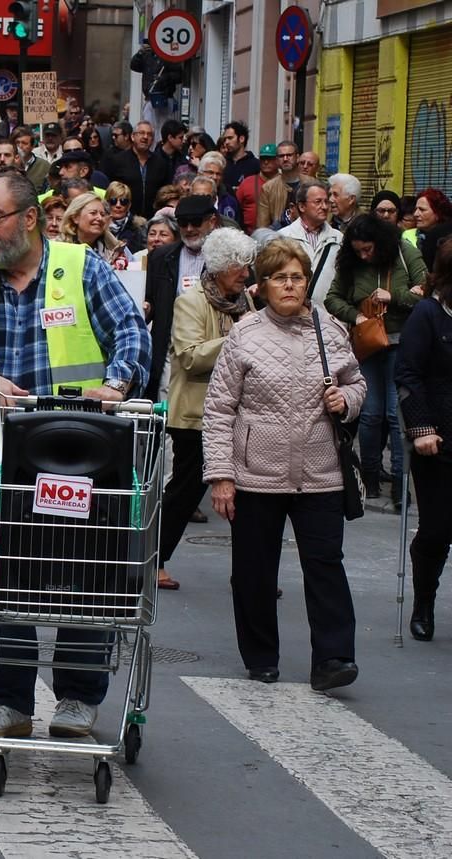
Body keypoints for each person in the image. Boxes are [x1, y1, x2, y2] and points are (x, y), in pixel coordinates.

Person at [0, 171, 151, 740]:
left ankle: (78, 695)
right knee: (9, 573)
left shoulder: (83, 267)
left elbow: (130, 331)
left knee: (88, 571)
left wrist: (117, 383)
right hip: (9, 454)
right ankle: (9, 701)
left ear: (29, 218)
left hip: (88, 449)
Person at [203, 237, 364, 689]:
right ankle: (260, 656)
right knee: (254, 571)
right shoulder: (245, 335)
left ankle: (334, 658)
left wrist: (346, 399)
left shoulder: (331, 330)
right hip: (257, 473)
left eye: (297, 277)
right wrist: (221, 476)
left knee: (325, 564)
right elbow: (219, 409)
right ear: (263, 285)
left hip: (321, 473)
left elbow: (357, 383)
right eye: (280, 278)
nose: (290, 285)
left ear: (307, 282)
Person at [158, 229, 256, 591]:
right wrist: (237, 338)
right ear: (218, 267)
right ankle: (153, 561)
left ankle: (252, 572)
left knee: (248, 495)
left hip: (239, 412)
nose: (245, 273)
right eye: (238, 266)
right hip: (195, 416)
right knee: (185, 493)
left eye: (247, 265)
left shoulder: (245, 300)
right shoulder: (191, 302)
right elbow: (189, 357)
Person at [324, 213, 427, 506]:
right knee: (369, 414)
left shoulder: (405, 253)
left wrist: (394, 296)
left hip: (402, 344)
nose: (364, 256)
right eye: (358, 250)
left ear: (380, 243)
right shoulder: (351, 262)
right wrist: (356, 316)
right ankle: (370, 476)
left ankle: (400, 483)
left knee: (395, 414)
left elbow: (427, 292)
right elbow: (333, 298)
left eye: (368, 249)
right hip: (367, 345)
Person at [395, 239, 452, 640]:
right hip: (440, 439)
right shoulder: (428, 315)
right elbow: (408, 374)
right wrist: (421, 429)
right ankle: (424, 601)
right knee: (436, 531)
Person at [145, 195, 222, 400]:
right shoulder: (160, 257)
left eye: (195, 222)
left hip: (209, 345)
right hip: (169, 345)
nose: (189, 229)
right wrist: (146, 308)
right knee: (167, 404)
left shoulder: (226, 257)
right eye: (182, 223)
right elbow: (150, 299)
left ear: (212, 221)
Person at [277, 180, 342, 303]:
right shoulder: (283, 237)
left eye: (326, 202)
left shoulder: (338, 238)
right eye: (318, 202)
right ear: (302, 206)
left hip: (328, 311)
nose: (324, 207)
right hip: (292, 310)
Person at [105, 121, 172, 219]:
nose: (145, 137)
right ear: (133, 137)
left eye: (149, 134)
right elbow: (109, 190)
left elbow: (166, 192)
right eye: (141, 133)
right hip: (125, 218)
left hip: (153, 218)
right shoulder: (118, 161)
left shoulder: (161, 163)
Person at [61, 192, 132, 269]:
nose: (100, 218)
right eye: (93, 213)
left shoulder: (115, 249)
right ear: (75, 217)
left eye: (102, 214)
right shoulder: (58, 246)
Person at [256, 140, 308, 229]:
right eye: (281, 156)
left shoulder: (311, 184)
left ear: (297, 157)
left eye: (289, 155)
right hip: (278, 235)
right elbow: (262, 226)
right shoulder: (268, 188)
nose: (285, 159)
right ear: (277, 160)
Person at [236, 144, 279, 233]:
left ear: (277, 160)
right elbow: (236, 208)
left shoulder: (284, 183)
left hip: (279, 234)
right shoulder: (247, 182)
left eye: (270, 159)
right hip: (248, 235)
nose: (266, 162)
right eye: (263, 159)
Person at [410, 189, 452, 269]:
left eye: (422, 210)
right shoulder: (408, 235)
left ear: (438, 213)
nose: (415, 214)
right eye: (415, 209)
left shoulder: (448, 239)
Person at [220, 121, 260, 190]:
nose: (226, 142)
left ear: (241, 139)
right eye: (225, 139)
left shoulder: (256, 165)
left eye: (230, 138)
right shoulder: (222, 162)